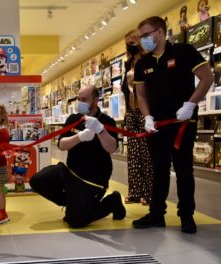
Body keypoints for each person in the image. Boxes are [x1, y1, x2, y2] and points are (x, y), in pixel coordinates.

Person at [133, 16, 214, 233]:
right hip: (156, 125)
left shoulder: (184, 52)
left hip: (183, 123)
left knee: (183, 170)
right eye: (141, 37)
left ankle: (186, 215)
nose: (143, 40)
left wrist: (190, 104)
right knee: (158, 170)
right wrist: (147, 117)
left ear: (160, 32)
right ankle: (156, 213)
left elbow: (207, 78)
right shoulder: (143, 63)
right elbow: (141, 96)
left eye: (146, 35)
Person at [30, 85, 126, 228]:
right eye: (78, 99)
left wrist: (101, 131)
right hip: (70, 172)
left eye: (84, 99)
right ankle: (73, 202)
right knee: (37, 181)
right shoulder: (73, 119)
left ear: (95, 100)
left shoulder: (107, 121)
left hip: (93, 180)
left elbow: (112, 148)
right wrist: (79, 137)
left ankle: (112, 202)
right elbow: (62, 145)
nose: (80, 102)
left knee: (75, 221)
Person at [121, 30, 154, 205]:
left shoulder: (148, 61)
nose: (129, 46)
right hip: (131, 112)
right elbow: (127, 90)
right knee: (133, 154)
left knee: (146, 153)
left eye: (132, 42)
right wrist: (126, 112)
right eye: (127, 43)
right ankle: (135, 191)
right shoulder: (128, 64)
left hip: (145, 112)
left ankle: (150, 192)